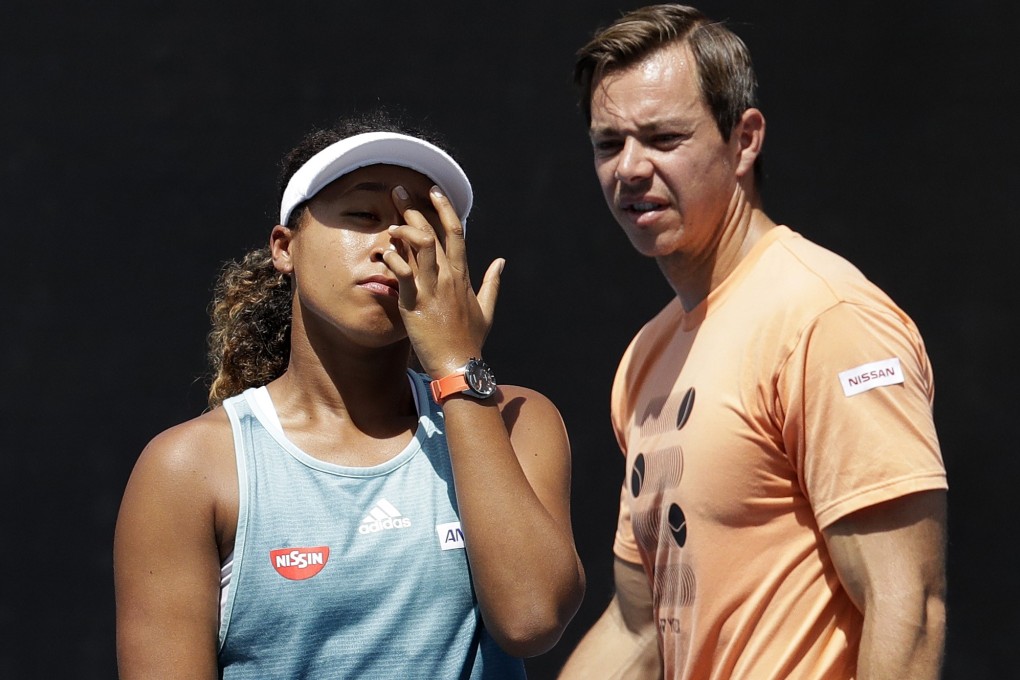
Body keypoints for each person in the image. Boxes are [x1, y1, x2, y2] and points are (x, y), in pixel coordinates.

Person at [113, 109, 585, 679]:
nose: (394, 242)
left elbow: (531, 620)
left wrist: (459, 366)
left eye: (423, 226)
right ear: (285, 247)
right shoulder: (188, 470)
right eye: (363, 214)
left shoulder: (515, 418)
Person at [558, 5, 947, 679]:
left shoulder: (825, 317)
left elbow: (906, 606)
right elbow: (640, 626)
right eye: (607, 143)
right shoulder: (647, 356)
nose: (629, 168)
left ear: (744, 140)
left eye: (662, 138)